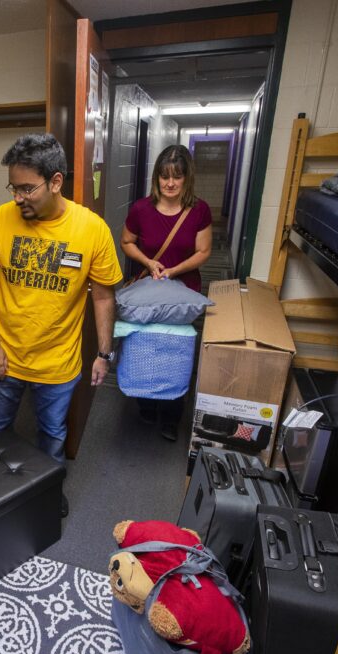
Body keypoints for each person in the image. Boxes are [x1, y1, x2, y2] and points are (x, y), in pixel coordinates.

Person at [0, 133, 122, 518]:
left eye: (26, 188)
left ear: (55, 182)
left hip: (58, 363)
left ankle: (45, 494)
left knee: (52, 438)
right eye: (13, 187)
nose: (17, 198)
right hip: (4, 356)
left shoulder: (91, 229)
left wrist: (103, 353)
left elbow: (103, 296)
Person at [120, 144, 213, 442]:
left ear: (187, 178)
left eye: (176, 177)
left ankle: (171, 416)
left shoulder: (199, 210)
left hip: (183, 291)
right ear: (156, 177)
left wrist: (174, 270)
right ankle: (145, 404)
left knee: (176, 353)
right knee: (144, 347)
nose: (170, 183)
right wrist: (149, 262)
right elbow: (126, 242)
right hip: (149, 288)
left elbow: (204, 251)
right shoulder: (141, 209)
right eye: (164, 176)